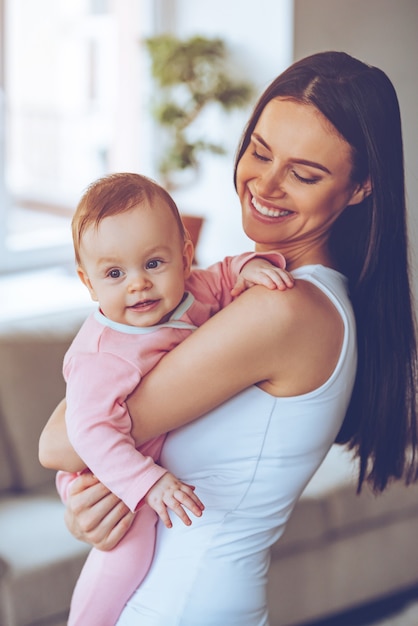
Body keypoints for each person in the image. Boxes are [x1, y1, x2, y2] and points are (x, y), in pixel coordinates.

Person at [39, 51, 418, 626]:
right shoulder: (262, 290)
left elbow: (59, 442)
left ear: (361, 187)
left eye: (304, 173)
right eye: (260, 152)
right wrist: (94, 509)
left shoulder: (282, 311)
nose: (265, 184)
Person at [55, 171, 292, 626]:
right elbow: (86, 431)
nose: (138, 284)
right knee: (129, 547)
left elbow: (221, 279)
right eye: (114, 273)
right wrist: (147, 482)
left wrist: (246, 267)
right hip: (101, 469)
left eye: (153, 264)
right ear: (89, 283)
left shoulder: (190, 293)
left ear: (184, 256)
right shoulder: (102, 356)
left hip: (137, 453)